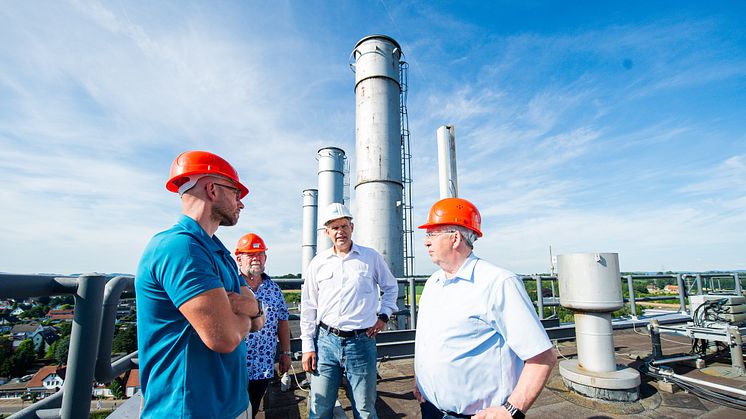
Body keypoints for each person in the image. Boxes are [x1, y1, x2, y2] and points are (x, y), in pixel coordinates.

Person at [136, 150, 265, 418]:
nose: (241, 203)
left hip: (232, 402)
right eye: (236, 193)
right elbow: (225, 338)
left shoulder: (218, 251)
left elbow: (256, 316)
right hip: (189, 409)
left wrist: (250, 310)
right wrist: (248, 315)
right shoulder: (179, 247)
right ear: (212, 189)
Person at [413, 198, 557, 419]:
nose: (426, 242)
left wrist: (511, 410)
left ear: (455, 238)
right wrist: (421, 382)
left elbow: (542, 357)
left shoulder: (498, 283)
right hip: (430, 409)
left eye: (432, 234)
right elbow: (428, 342)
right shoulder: (433, 283)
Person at [300, 203, 399, 419]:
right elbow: (308, 306)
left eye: (344, 226)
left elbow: (391, 287)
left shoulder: (370, 257)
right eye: (334, 227)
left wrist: (383, 316)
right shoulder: (318, 263)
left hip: (361, 343)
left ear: (352, 227)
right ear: (327, 232)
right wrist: (308, 346)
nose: (340, 232)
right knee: (319, 409)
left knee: (364, 410)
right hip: (325, 342)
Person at [235, 232, 291, 417]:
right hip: (233, 366)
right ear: (239, 258)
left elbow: (282, 321)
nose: (256, 258)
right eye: (250, 254)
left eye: (260, 254)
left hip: (262, 367)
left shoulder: (274, 289)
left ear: (265, 258)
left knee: (253, 408)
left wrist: (285, 353)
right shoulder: (229, 286)